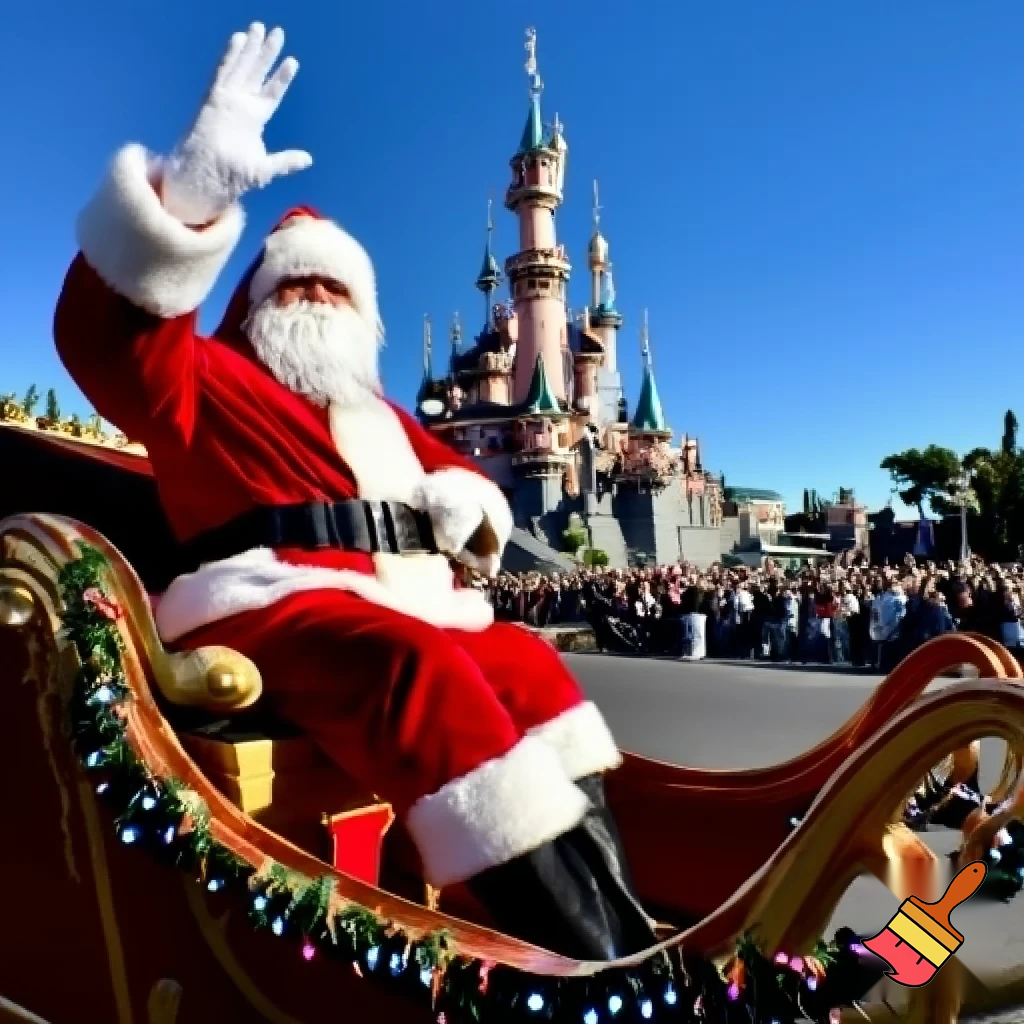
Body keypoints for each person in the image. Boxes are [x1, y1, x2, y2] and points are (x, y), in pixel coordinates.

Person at [53, 23, 655, 961]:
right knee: (409, 667)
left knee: (530, 668)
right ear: (254, 302)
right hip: (271, 607)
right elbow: (107, 339)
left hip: (401, 606)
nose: (318, 302)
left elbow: (457, 471)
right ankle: (590, 960)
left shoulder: (378, 415)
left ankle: (620, 929)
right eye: (299, 289)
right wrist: (192, 195)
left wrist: (469, 503)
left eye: (337, 290)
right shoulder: (206, 378)